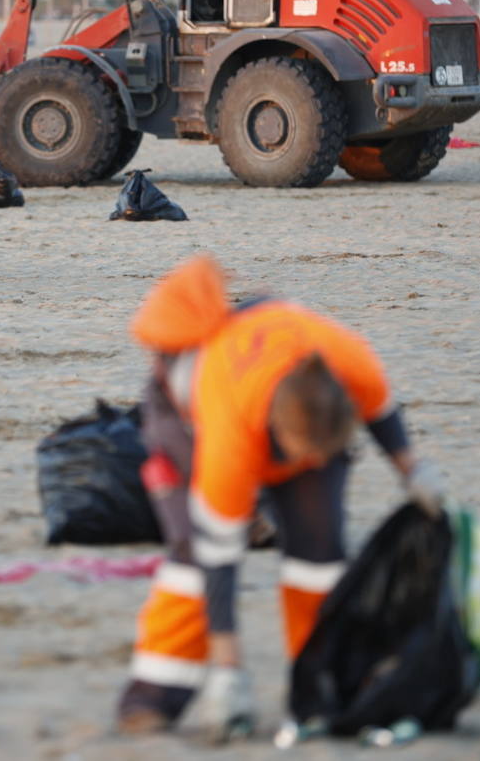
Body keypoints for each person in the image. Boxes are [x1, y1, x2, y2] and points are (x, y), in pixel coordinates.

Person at [114, 256, 443, 740]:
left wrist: (413, 472)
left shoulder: (349, 363)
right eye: (300, 457)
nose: (307, 467)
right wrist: (230, 670)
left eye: (321, 456)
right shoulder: (231, 431)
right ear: (276, 433)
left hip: (300, 411)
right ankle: (153, 696)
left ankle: (324, 685)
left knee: (321, 558)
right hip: (187, 416)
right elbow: (218, 557)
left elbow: (382, 412)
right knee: (190, 560)